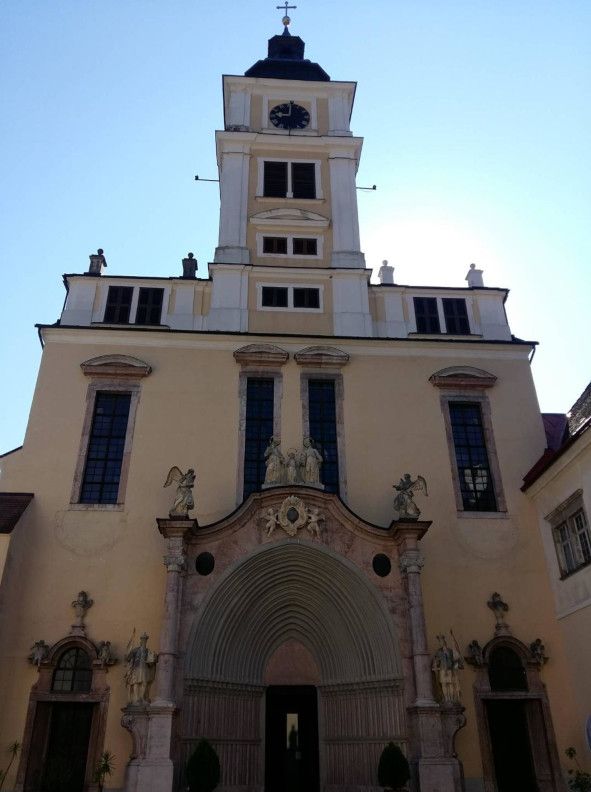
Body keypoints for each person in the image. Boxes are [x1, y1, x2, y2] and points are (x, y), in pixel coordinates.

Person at [124, 633, 158, 704]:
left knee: (144, 683)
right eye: (143, 640)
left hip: (145, 669)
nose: (144, 641)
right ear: (141, 641)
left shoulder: (148, 651)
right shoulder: (135, 650)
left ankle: (142, 698)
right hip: (136, 668)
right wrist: (127, 654)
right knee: (136, 683)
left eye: (145, 640)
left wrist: (154, 659)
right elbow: (128, 658)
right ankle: (136, 699)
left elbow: (151, 661)